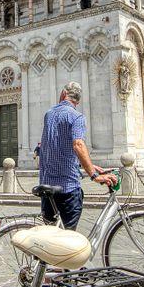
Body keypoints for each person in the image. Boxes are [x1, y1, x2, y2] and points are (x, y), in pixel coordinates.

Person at [38, 82, 117, 230]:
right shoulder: (76, 117)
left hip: (47, 186)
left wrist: (88, 165)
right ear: (78, 101)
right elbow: (78, 145)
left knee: (49, 239)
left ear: (62, 94)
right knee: (68, 240)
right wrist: (94, 175)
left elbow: (56, 149)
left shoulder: (49, 114)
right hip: (67, 189)